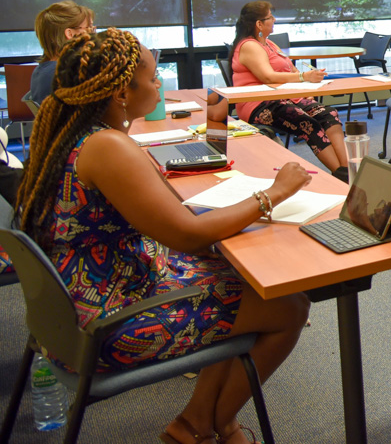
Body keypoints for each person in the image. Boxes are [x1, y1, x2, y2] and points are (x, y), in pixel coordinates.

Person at [13, 29, 311, 444]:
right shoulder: (107, 147)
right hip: (107, 322)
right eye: (153, 78)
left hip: (75, 304)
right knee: (289, 306)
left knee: (236, 273)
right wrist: (273, 195)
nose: (159, 86)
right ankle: (201, 426)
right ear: (121, 92)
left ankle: (206, 423)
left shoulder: (73, 134)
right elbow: (186, 235)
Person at [231, 1, 350, 181]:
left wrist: (305, 82)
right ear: (259, 24)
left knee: (328, 113)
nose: (274, 19)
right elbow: (268, 77)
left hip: (284, 98)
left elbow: (291, 70)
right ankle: (344, 177)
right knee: (308, 124)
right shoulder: (249, 46)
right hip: (260, 104)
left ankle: (346, 170)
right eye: (270, 17)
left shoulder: (269, 43)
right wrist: (304, 78)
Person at [29, 0, 95, 104]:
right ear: (70, 34)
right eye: (90, 28)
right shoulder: (66, 74)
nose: (94, 34)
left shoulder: (40, 71)